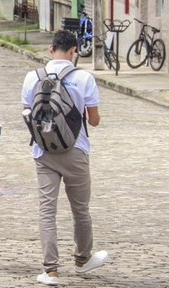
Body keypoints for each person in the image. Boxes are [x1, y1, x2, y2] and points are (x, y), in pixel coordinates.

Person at [20, 30, 107, 286]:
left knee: (47, 210)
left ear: (50, 49)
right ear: (73, 51)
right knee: (80, 209)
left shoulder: (32, 77)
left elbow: (27, 113)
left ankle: (51, 270)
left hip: (43, 152)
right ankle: (82, 259)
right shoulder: (84, 78)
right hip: (76, 151)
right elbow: (94, 120)